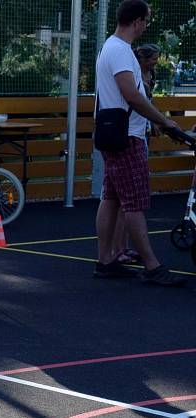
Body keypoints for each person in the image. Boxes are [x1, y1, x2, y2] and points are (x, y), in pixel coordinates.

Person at [93, 0, 186, 287]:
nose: (146, 25)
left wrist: (158, 122)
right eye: (146, 20)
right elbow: (131, 95)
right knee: (134, 202)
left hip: (116, 133)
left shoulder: (111, 47)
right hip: (127, 137)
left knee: (111, 198)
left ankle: (106, 260)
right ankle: (152, 265)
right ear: (137, 21)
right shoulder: (120, 51)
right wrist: (164, 121)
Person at [111, 42, 162, 265]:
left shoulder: (147, 75)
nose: (155, 63)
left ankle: (119, 249)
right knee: (128, 201)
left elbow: (148, 101)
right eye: (153, 59)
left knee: (121, 200)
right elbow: (135, 99)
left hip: (141, 133)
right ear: (142, 58)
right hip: (129, 135)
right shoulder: (129, 73)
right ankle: (121, 251)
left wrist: (156, 121)